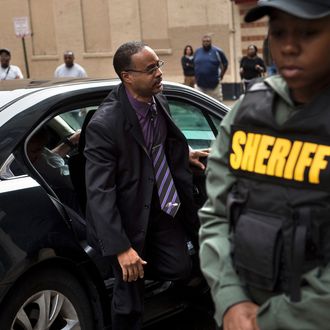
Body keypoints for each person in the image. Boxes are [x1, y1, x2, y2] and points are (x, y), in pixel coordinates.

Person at [198, 1, 330, 329]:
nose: (288, 46)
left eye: (309, 32)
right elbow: (216, 214)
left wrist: (269, 321)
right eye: (279, 31)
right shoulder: (247, 111)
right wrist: (231, 299)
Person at [84, 41, 207, 330]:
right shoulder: (105, 124)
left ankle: (140, 271)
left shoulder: (157, 99)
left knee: (181, 267)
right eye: (150, 69)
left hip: (159, 208)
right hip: (125, 219)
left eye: (158, 66)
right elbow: (99, 192)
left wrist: (184, 154)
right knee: (128, 302)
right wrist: (122, 249)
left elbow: (156, 143)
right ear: (127, 76)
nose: (159, 73)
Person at [194, 35, 228, 102]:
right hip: (199, 86)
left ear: (211, 42)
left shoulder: (218, 51)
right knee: (198, 103)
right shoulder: (197, 52)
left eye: (208, 41)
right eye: (204, 41)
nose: (206, 43)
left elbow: (225, 64)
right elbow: (194, 65)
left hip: (214, 86)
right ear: (202, 42)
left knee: (217, 104)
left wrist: (221, 75)